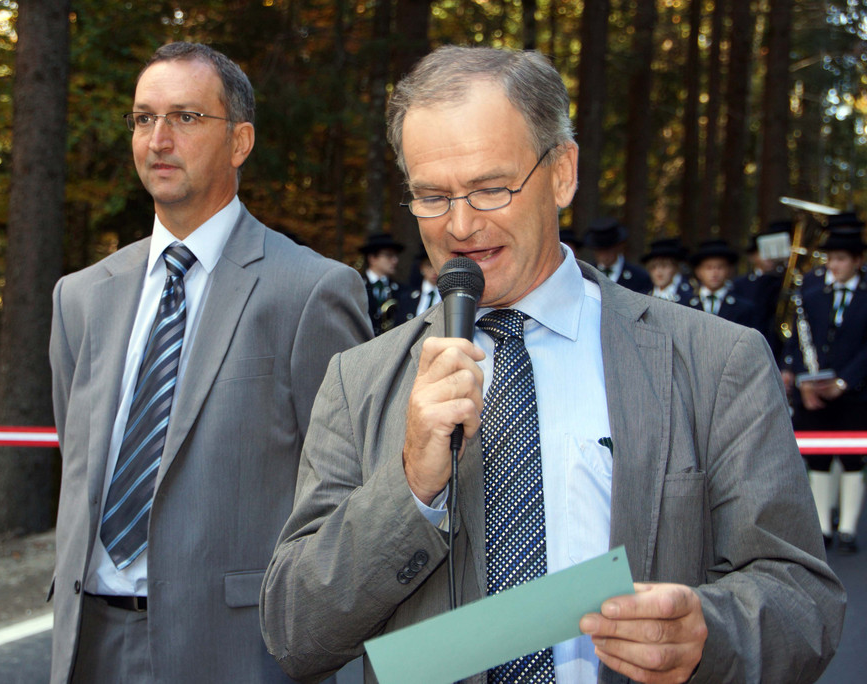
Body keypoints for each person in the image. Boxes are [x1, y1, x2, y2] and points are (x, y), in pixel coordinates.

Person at [260, 45, 843, 684]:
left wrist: (709, 631)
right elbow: (296, 633)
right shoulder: (359, 381)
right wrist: (409, 488)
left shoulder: (714, 360)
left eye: (490, 188)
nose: (460, 225)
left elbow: (803, 603)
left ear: (562, 172)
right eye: (432, 197)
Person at [48, 42, 371, 683]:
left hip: (238, 652)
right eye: (144, 118)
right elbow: (77, 454)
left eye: (186, 117)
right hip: (89, 645)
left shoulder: (309, 291)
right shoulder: (80, 297)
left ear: (240, 141)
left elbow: (351, 498)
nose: (159, 139)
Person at [782, 224, 867, 554]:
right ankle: (822, 528)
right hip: (814, 393)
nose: (834, 265)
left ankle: (847, 528)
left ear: (857, 261)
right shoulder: (812, 296)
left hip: (855, 394)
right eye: (830, 258)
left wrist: (844, 382)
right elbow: (797, 342)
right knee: (817, 458)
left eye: (842, 259)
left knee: (852, 458)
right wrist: (805, 382)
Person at [732, 220, 790, 361]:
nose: (769, 257)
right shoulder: (740, 284)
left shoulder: (786, 281)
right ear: (752, 256)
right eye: (762, 251)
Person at [684, 239, 756, 327]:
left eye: (720, 267)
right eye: (709, 268)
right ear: (698, 272)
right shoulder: (685, 305)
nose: (714, 273)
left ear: (729, 271)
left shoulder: (743, 308)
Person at [584, 217, 652, 294]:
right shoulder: (585, 276)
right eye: (600, 250)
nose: (605, 255)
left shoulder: (639, 277)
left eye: (609, 249)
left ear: (618, 247)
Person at [359, 232, 407, 335]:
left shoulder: (401, 290)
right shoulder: (357, 286)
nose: (395, 260)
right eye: (389, 255)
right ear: (372, 258)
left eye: (395, 255)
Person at [640, 237, 692, 303]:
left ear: (675, 268)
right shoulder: (643, 295)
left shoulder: (689, 296)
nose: (658, 272)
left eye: (664, 266)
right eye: (653, 267)